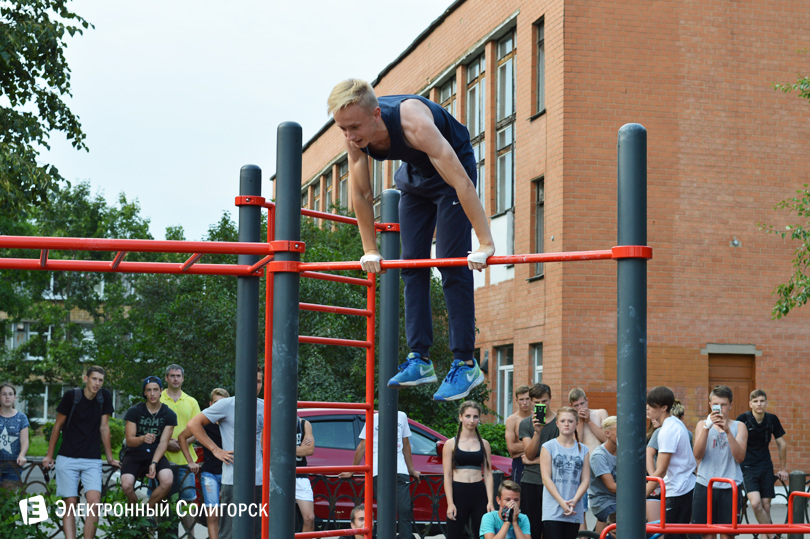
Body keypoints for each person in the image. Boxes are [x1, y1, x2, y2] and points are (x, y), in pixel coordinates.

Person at [327, 79, 495, 402]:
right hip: (416, 178)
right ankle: (420, 359)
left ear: (377, 115)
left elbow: (461, 180)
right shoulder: (354, 139)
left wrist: (485, 242)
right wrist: (369, 249)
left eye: (354, 128)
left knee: (449, 261)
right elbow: (361, 194)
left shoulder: (413, 121)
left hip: (451, 173)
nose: (349, 136)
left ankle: (465, 361)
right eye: (342, 129)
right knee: (411, 263)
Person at [185, 367, 265, 539]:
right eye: (252, 380)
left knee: (257, 534)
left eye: (259, 381)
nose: (256, 385)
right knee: (230, 534)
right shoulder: (227, 405)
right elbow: (193, 424)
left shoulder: (264, 407)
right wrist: (215, 450)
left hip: (259, 480)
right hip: (233, 481)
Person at [42, 366, 118, 539]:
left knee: (94, 503)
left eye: (100, 380)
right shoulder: (72, 396)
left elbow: (104, 427)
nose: (97, 383)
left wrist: (110, 458)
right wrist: (49, 455)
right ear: (86, 379)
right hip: (67, 458)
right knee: (70, 504)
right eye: (94, 379)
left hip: (91, 459)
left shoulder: (104, 396)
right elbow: (57, 426)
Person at [339, 409, 420, 538]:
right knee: (385, 510)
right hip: (379, 470)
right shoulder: (374, 417)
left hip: (400, 470)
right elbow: (362, 446)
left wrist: (411, 469)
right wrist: (352, 470)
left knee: (404, 509)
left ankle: (406, 537)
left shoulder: (401, 416)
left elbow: (405, 444)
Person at [692, 385, 747, 539]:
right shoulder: (702, 425)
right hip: (705, 485)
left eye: (724, 405)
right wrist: (707, 428)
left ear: (731, 405)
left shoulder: (739, 426)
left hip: (730, 486)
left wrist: (728, 431)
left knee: (727, 534)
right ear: (710, 405)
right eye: (717, 405)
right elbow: (697, 455)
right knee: (707, 534)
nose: (720, 409)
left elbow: (740, 457)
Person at [736, 389, 788, 539]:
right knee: (756, 504)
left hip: (765, 466)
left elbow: (782, 444)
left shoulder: (772, 420)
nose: (759, 404)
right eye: (755, 401)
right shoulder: (743, 419)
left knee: (766, 506)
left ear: (766, 402)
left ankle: (767, 537)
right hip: (747, 467)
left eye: (762, 401)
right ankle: (773, 537)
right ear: (750, 404)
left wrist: (783, 469)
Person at [645, 386, 696, 539]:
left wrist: (643, 494)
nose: (647, 407)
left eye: (651, 405)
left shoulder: (667, 431)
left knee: (672, 536)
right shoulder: (674, 423)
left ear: (664, 407)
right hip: (683, 486)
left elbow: (661, 470)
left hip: (679, 489)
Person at [179, 388, 229, 539]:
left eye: (221, 403)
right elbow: (183, 437)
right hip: (210, 474)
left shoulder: (232, 422)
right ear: (210, 404)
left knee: (231, 515)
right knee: (212, 515)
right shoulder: (205, 423)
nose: (218, 406)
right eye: (215, 403)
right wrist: (190, 461)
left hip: (230, 473)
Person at [120, 376, 177, 510]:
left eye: (155, 390)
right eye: (149, 390)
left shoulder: (169, 414)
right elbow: (129, 441)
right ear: (144, 392)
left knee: (167, 480)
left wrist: (154, 463)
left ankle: (146, 511)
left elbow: (163, 443)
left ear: (161, 391)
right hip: (135, 453)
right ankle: (134, 513)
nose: (152, 394)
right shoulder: (134, 411)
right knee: (127, 485)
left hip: (155, 453)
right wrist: (142, 439)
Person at [442, 400, 494, 539]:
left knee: (482, 535)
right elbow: (447, 475)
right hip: (459, 493)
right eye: (468, 416)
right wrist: (450, 503)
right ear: (460, 417)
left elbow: (488, 474)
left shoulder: (484, 444)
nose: (472, 420)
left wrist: (490, 501)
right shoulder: (450, 444)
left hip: (479, 493)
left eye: (475, 417)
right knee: (454, 535)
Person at [159, 364, 201, 532]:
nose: (175, 378)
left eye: (178, 376)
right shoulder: (157, 399)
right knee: (158, 501)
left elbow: (198, 430)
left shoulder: (191, 402)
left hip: (185, 461)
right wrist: (167, 443)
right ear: (166, 378)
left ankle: (190, 535)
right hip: (161, 459)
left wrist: (184, 441)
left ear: (183, 378)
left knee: (188, 501)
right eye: (172, 375)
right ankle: (153, 534)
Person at [539, 406, 590, 539]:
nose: (566, 424)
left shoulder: (583, 449)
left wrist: (574, 500)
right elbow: (546, 478)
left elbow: (585, 480)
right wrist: (562, 502)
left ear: (577, 424)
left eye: (570, 421)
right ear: (557, 423)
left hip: (574, 508)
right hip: (553, 508)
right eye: (562, 421)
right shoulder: (548, 446)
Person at [519, 383, 557, 539]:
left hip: (554, 482)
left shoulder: (560, 422)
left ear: (550, 399)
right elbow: (529, 454)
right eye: (537, 402)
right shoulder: (526, 423)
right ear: (531, 402)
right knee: (532, 530)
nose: (541, 405)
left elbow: (559, 456)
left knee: (551, 530)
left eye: (545, 401)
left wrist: (535, 461)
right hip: (531, 481)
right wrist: (537, 432)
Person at [567, 388, 608, 529]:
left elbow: (607, 439)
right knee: (581, 508)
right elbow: (576, 444)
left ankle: (597, 534)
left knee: (606, 506)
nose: (580, 408)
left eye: (582, 404)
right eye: (576, 405)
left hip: (602, 466)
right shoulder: (572, 420)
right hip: (583, 467)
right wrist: (581, 422)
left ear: (587, 400)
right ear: (572, 406)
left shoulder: (600, 413)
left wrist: (589, 421)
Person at [588, 416, 617, 537]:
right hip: (603, 501)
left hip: (619, 500)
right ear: (607, 433)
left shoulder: (624, 451)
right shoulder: (599, 455)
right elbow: (611, 487)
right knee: (624, 521)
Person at [0, 383, 29, 489]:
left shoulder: (21, 417)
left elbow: (25, 440)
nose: (7, 397)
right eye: (4, 394)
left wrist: (22, 455)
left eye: (10, 394)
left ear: (15, 397)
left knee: (8, 501)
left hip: (13, 466)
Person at [505, 386, 533, 484]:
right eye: (521, 399)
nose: (525, 403)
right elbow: (511, 448)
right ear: (516, 400)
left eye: (527, 399)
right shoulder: (512, 420)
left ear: (532, 399)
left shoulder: (538, 417)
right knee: (519, 496)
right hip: (519, 464)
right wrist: (535, 444)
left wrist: (522, 446)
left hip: (538, 464)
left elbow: (546, 443)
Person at [295, 415, 316, 533]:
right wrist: (299, 448)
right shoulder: (272, 422)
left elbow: (309, 450)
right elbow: (266, 447)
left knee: (309, 518)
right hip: (278, 476)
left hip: (300, 475)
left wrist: (282, 448)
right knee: (275, 518)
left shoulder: (304, 424)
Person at [645, 417, 662, 523]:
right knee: (656, 527)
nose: (654, 419)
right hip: (654, 483)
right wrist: (654, 480)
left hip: (669, 484)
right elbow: (648, 456)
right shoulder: (647, 438)